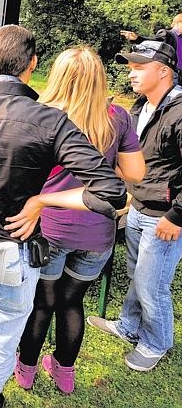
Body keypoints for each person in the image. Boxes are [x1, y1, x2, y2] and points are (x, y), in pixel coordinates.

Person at [0, 25, 126, 408]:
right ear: (32, 64)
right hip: (8, 255)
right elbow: (111, 191)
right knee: (0, 336)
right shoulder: (50, 122)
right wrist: (42, 202)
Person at [14, 47, 145, 394]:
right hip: (96, 232)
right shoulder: (116, 117)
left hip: (50, 227)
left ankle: (25, 369)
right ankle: (64, 374)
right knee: (71, 303)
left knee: (42, 303)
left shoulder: (41, 115)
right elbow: (135, 173)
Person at [87, 36, 182, 372]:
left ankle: (156, 342)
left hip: (165, 216)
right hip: (139, 207)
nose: (131, 73)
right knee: (137, 274)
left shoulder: (180, 112)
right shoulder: (140, 108)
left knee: (152, 283)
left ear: (164, 72)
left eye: (139, 67)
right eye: (130, 67)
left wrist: (177, 216)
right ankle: (129, 325)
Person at [120, 14, 182, 83]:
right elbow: (155, 43)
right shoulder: (167, 33)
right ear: (177, 23)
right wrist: (137, 39)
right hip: (171, 71)